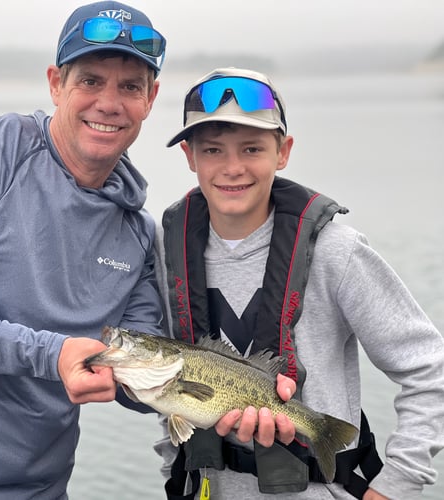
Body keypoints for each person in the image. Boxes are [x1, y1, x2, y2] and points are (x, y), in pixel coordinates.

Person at [0, 4, 295, 499]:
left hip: (37, 489)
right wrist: (53, 354)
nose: (109, 103)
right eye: (90, 81)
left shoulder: (136, 233)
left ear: (150, 98)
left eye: (130, 87)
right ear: (56, 84)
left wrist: (220, 401)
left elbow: (136, 377)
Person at [153, 66, 444, 499]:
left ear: (283, 151)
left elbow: (429, 368)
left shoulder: (336, 252)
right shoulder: (167, 254)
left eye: (252, 148)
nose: (233, 168)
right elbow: (168, 388)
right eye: (212, 150)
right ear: (190, 157)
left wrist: (397, 485)